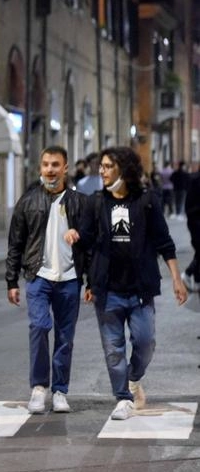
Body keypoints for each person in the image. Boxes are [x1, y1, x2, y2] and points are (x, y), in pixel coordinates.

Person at [65, 146, 187, 421]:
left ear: (124, 169)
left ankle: (134, 378)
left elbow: (164, 242)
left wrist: (177, 279)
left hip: (140, 287)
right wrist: (75, 236)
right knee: (113, 349)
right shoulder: (96, 202)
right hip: (107, 289)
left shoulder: (147, 201)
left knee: (145, 342)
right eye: (102, 166)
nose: (102, 171)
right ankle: (123, 397)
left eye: (108, 166)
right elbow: (85, 240)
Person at [6, 146, 89, 414]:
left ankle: (60, 391)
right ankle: (39, 388)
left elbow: (92, 243)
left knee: (66, 337)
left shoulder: (80, 202)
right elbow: (15, 243)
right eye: (45, 164)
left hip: (70, 278)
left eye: (55, 164)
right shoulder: (28, 201)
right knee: (40, 327)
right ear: (40, 168)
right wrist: (11, 281)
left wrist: (92, 282)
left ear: (65, 168)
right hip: (38, 276)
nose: (50, 169)